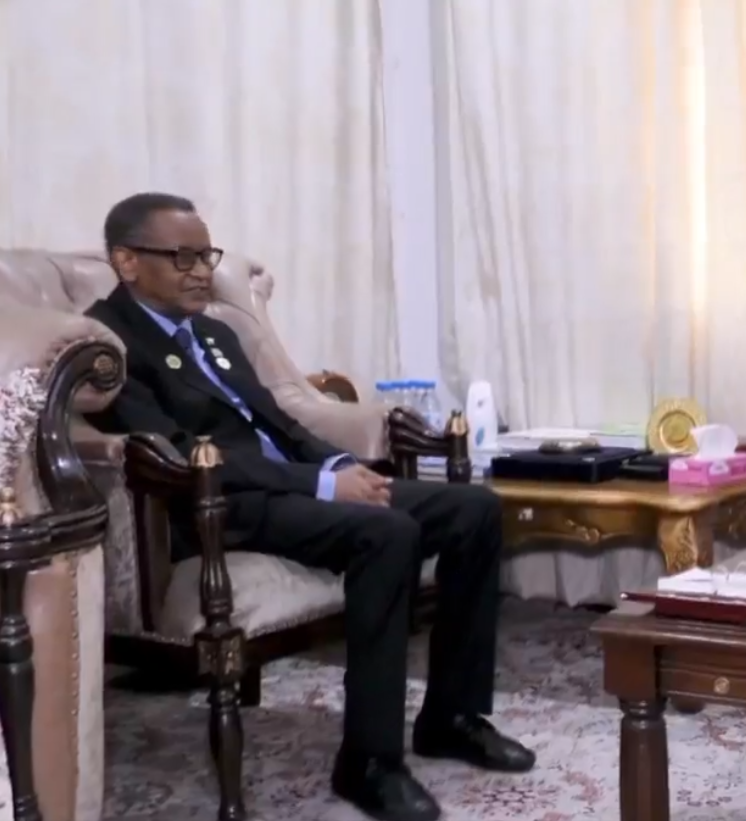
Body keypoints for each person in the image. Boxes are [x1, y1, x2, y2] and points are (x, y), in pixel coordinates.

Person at [84, 193, 535, 821]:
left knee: (474, 509)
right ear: (127, 261)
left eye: (206, 256)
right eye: (183, 256)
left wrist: (339, 466)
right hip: (215, 508)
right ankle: (369, 761)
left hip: (287, 485)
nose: (201, 271)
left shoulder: (214, 332)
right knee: (387, 533)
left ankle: (451, 718)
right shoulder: (108, 345)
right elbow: (183, 455)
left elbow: (281, 424)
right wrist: (320, 485)